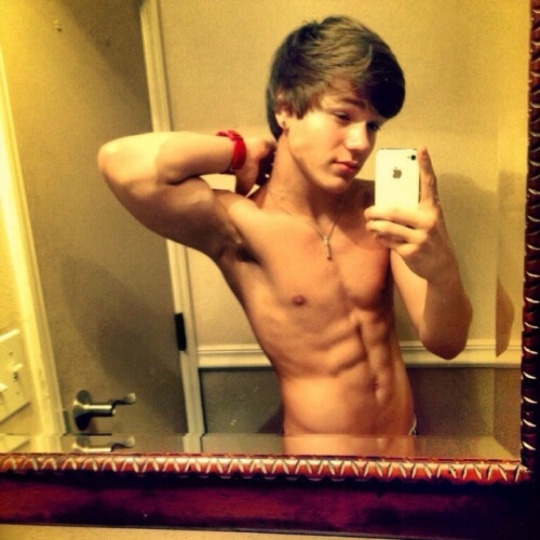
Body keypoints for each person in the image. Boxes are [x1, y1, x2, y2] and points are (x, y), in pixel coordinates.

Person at [98, 16, 472, 439]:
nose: (361, 143)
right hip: (319, 464)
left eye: (372, 126)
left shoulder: (380, 206)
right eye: (343, 116)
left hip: (404, 447)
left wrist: (442, 270)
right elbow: (121, 163)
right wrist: (236, 151)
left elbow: (446, 343)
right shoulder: (241, 225)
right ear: (286, 108)